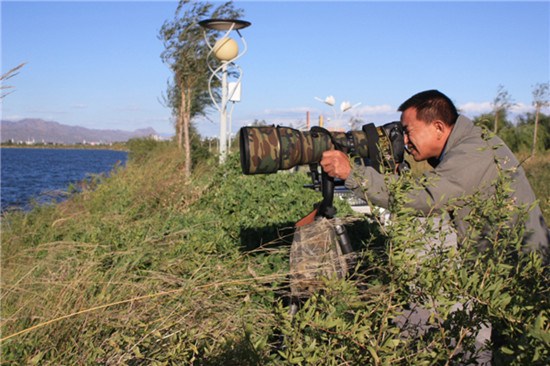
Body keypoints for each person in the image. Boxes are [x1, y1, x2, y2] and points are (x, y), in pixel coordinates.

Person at [320, 89, 549, 259]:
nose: (405, 142)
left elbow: (426, 196)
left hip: (520, 272)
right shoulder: (471, 141)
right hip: (504, 267)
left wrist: (352, 173)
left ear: (438, 127)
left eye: (408, 132)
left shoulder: (472, 151)